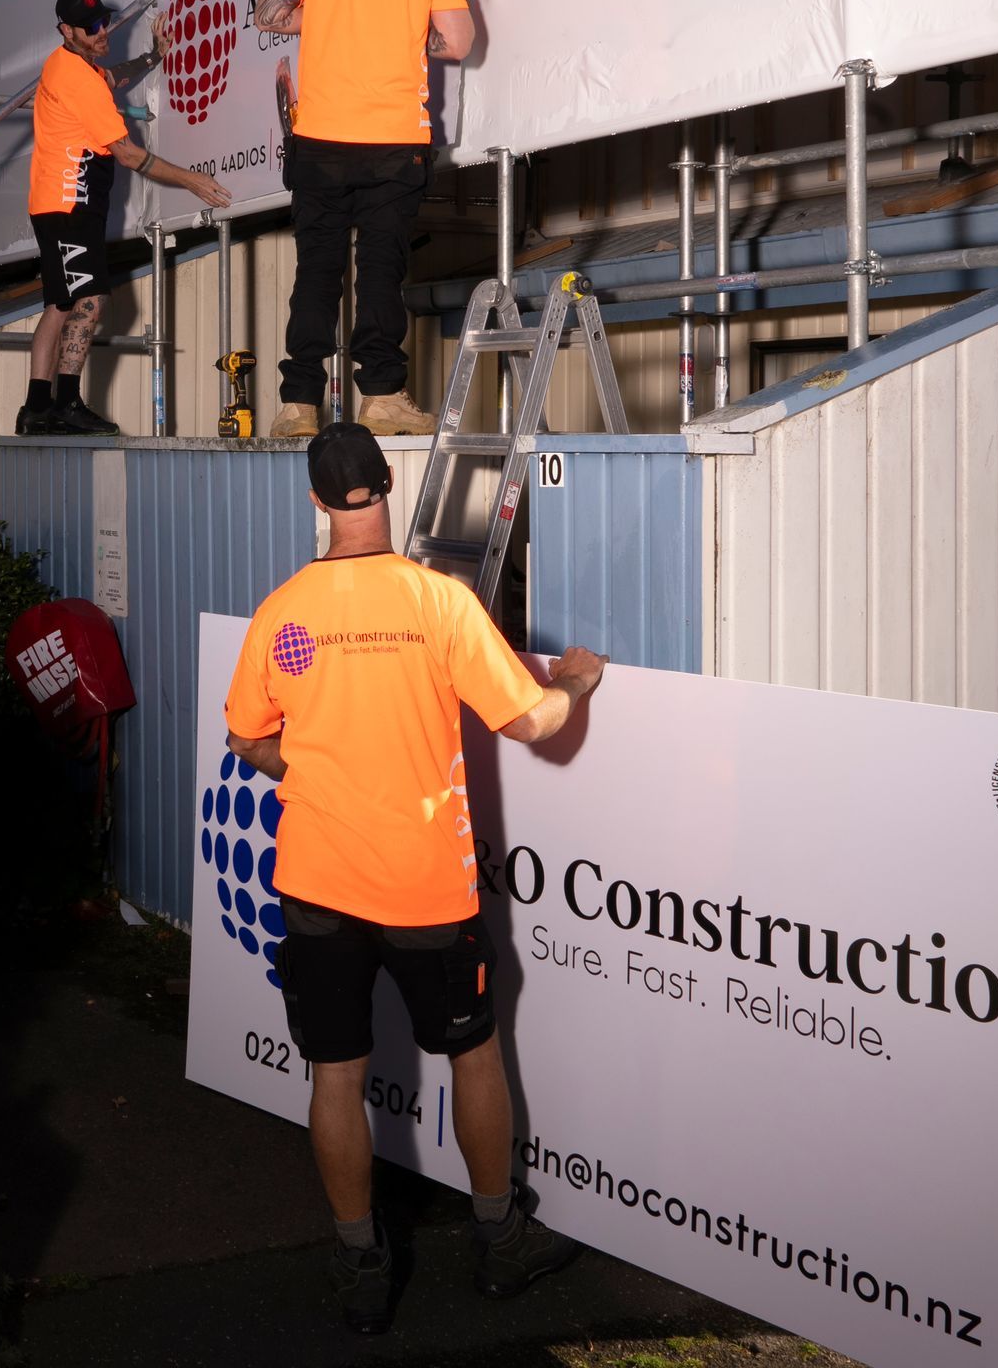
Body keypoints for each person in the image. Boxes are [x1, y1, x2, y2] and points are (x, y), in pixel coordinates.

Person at [224, 422, 607, 1335]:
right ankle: (499, 1242)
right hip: (429, 889)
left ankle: (361, 1262)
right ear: (386, 487)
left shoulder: (285, 614)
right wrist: (580, 682)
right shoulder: (439, 603)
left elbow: (246, 736)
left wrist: (306, 773)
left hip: (317, 886)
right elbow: (532, 724)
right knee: (473, 1053)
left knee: (334, 1074)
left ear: (316, 501)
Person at [254, 0, 476, 440]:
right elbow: (457, 42)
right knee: (382, 268)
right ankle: (380, 397)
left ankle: (299, 404)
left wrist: (325, 13)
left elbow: (269, 15)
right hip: (394, 141)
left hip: (321, 139)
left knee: (317, 269)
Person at [18, 0, 232, 436]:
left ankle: (37, 407)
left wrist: (154, 56)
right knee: (90, 298)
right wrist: (194, 180)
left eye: (104, 22)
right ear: (66, 30)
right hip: (68, 203)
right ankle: (66, 403)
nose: (102, 32)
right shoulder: (77, 78)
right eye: (91, 27)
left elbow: (112, 77)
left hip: (60, 202)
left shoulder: (70, 65)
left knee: (61, 304)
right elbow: (130, 155)